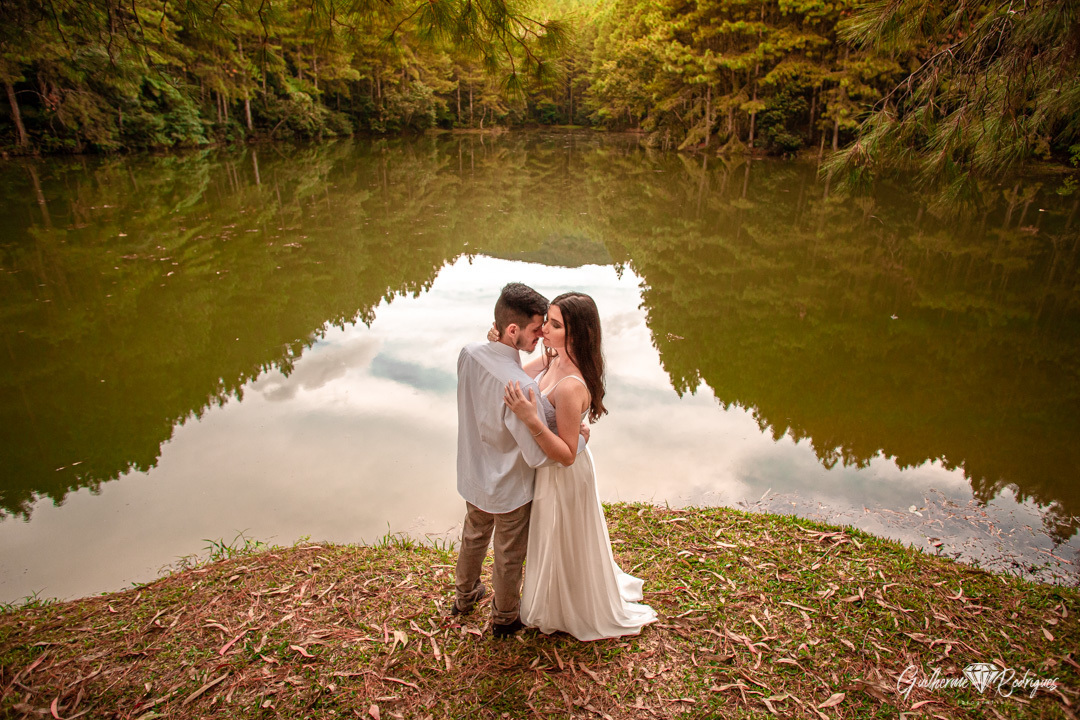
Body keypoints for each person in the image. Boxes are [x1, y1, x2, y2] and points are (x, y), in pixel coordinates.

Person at [503, 292, 657, 641]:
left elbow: (567, 453)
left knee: (565, 538)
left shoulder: (572, 386)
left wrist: (532, 420)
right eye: (547, 321)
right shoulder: (552, 359)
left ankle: (571, 606)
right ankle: (553, 598)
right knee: (552, 537)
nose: (543, 330)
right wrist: (499, 343)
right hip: (548, 472)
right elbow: (512, 374)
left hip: (565, 476)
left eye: (554, 325)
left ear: (575, 335)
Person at [453, 282, 587, 638]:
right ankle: (504, 618)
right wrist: (582, 439)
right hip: (509, 485)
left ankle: (463, 597)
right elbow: (540, 455)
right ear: (512, 330)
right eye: (535, 327)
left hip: (472, 472)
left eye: (548, 325)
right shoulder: (520, 388)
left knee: (474, 535)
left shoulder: (468, 352)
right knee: (509, 555)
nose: (542, 332)